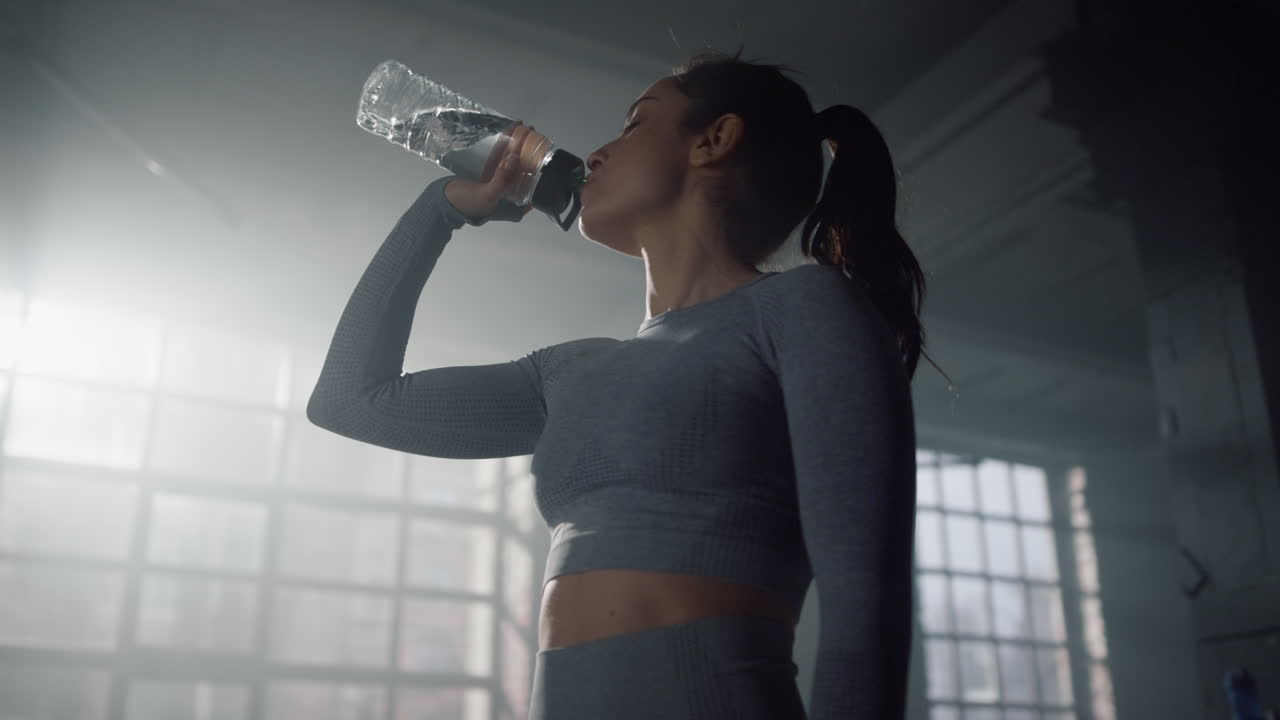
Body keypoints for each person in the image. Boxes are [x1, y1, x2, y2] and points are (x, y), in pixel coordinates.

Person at [309, 45, 943, 719]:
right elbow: (349, 401)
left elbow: (865, 612)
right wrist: (438, 210)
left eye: (636, 123)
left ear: (715, 141)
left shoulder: (805, 307)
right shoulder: (569, 371)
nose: (599, 152)